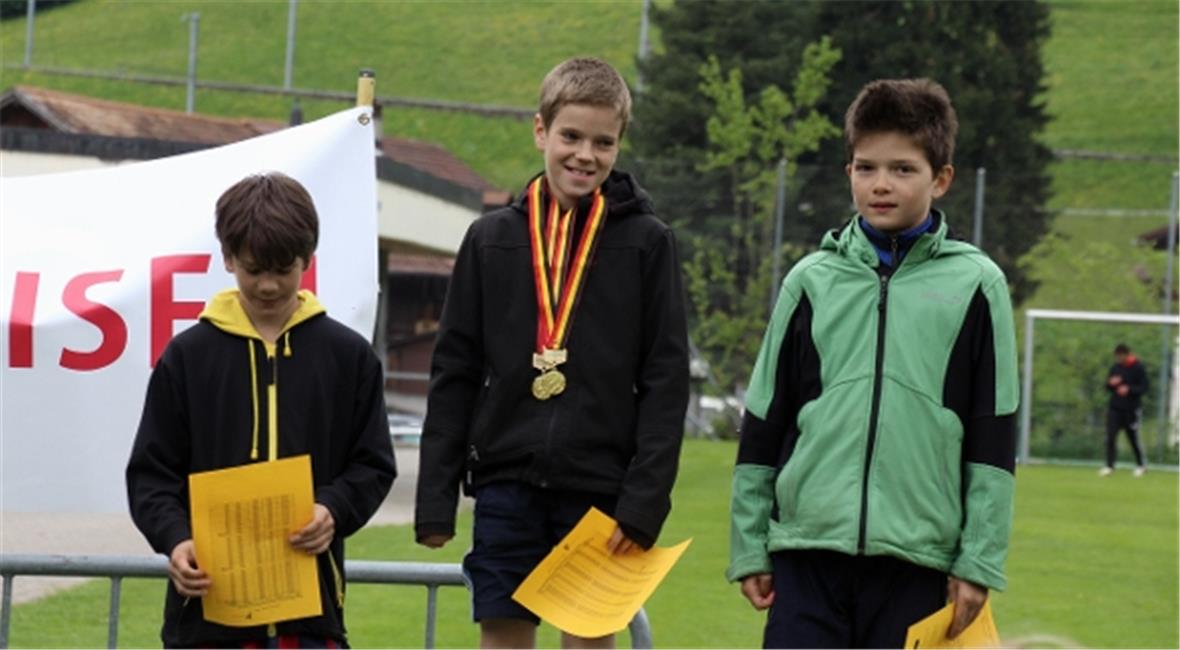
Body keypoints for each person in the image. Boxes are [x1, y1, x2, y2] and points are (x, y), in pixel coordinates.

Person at [727, 78, 1019, 648]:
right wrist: (750, 543)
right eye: (866, 168)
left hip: (917, 565)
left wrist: (977, 561)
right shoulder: (810, 281)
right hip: (807, 554)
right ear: (849, 173)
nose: (881, 184)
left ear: (942, 178)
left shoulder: (978, 286)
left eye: (903, 169)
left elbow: (993, 434)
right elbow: (764, 419)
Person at [414, 57, 690, 649]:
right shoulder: (491, 240)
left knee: (589, 638)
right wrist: (436, 500)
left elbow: (666, 382)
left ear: (619, 145)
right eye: (570, 136)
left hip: (603, 494)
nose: (584, 155)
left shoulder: (648, 244)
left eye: (602, 142)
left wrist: (642, 505)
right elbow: (454, 371)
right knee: (504, 635)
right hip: (505, 481)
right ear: (541, 130)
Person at [126, 172, 397, 648]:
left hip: (312, 620)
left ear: (308, 260)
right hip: (206, 620)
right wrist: (175, 539)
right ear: (228, 258)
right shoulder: (187, 357)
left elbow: (373, 464)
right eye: (254, 269)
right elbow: (151, 474)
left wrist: (333, 509)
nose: (269, 285)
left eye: (284, 269)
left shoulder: (349, 356)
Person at [1101, 342, 1148, 476]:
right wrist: (1111, 384)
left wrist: (1129, 389)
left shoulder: (1138, 367)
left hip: (1131, 409)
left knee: (1133, 438)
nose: (1118, 359)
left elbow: (1144, 387)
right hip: (1115, 408)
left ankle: (1141, 465)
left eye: (1120, 356)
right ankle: (1109, 466)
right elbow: (1107, 387)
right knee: (1111, 436)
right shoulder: (1115, 368)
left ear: (1126, 354)